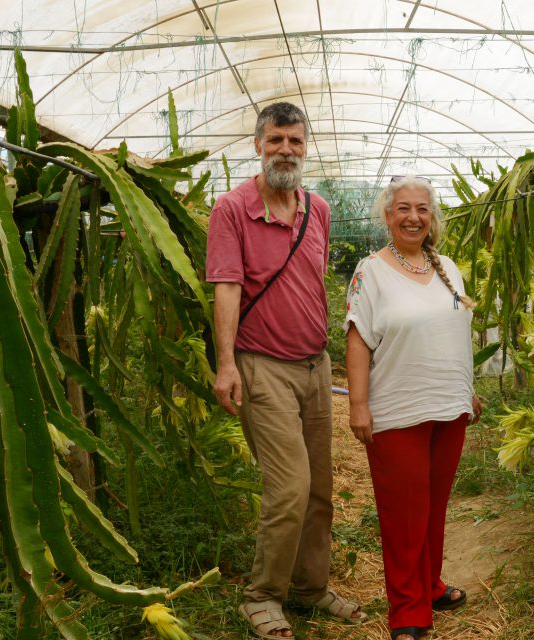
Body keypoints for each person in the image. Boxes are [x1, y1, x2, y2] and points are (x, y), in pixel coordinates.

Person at [207, 102, 364, 639]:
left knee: (320, 486)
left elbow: (312, 281)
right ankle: (263, 595)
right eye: (276, 140)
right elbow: (227, 288)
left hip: (314, 365)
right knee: (290, 487)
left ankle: (311, 588)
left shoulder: (315, 209)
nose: (286, 151)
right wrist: (226, 364)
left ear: (305, 147)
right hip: (261, 366)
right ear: (257, 145)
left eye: (295, 142)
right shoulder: (232, 209)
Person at [344, 176, 483, 640]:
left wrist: (468, 389)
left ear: (432, 217)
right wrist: (359, 405)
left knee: (434, 508)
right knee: (404, 514)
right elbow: (358, 338)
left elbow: (455, 333)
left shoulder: (449, 268)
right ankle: (407, 611)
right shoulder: (371, 271)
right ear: (387, 216)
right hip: (397, 410)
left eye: (422, 209)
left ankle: (430, 585)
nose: (413, 217)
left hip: (449, 406)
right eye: (403, 208)